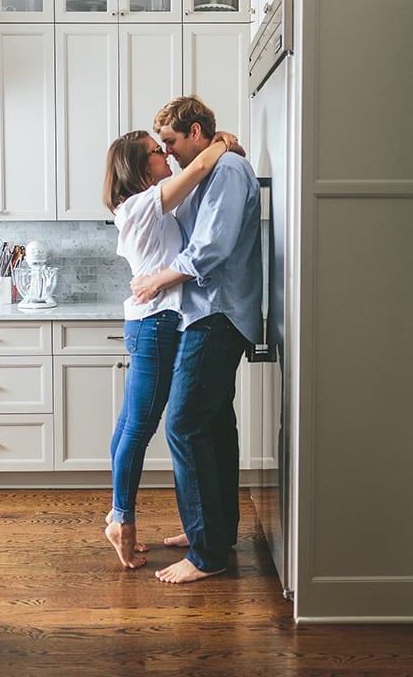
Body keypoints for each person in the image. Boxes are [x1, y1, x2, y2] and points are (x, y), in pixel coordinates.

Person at [130, 95, 263, 583]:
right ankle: (213, 530)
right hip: (209, 313)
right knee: (211, 426)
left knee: (184, 424)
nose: (168, 154)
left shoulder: (226, 172)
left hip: (217, 313)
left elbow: (209, 250)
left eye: (171, 142)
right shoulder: (213, 166)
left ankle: (207, 555)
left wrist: (156, 280)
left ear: (196, 132)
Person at [102, 127, 243, 570]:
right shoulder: (143, 204)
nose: (165, 154)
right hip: (156, 327)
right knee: (139, 428)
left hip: (158, 325)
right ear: (142, 168)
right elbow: (200, 167)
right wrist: (222, 142)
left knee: (131, 424)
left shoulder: (155, 204)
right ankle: (121, 520)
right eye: (155, 152)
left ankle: (121, 514)